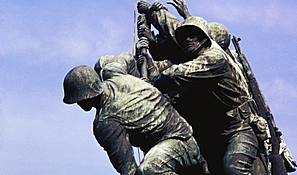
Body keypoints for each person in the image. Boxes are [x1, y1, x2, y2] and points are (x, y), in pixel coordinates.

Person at [136, 16, 263, 175]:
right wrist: (146, 63)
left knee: (234, 169)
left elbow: (177, 74)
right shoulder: (194, 63)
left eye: (193, 35)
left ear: (204, 37)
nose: (188, 39)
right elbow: (176, 93)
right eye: (184, 37)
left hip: (239, 129)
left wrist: (154, 82)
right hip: (213, 133)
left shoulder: (215, 58)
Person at [62, 58, 208, 175]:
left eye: (78, 101)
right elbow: (127, 59)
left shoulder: (105, 123)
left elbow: (128, 170)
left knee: (148, 171)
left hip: (180, 144)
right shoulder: (113, 72)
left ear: (84, 98)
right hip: (184, 136)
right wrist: (140, 81)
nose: (79, 104)